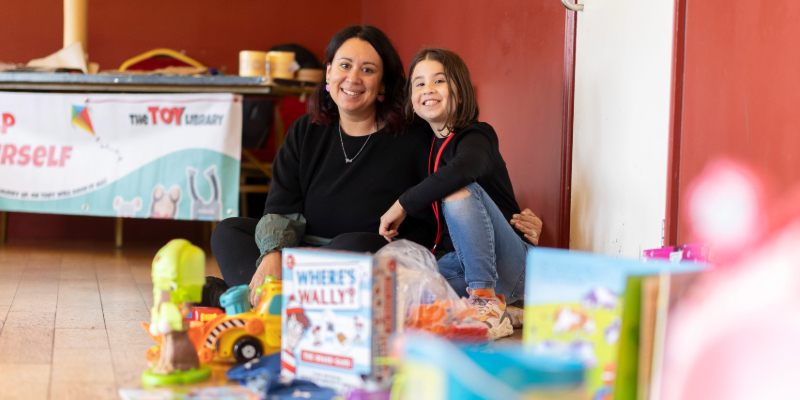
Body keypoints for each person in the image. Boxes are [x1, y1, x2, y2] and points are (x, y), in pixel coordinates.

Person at [209, 26, 542, 307]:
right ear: (328, 72)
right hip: (303, 249)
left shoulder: (415, 136)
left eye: (367, 70)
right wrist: (274, 253)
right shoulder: (305, 130)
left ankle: (253, 301)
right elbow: (281, 205)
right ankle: (283, 298)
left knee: (350, 247)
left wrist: (512, 220)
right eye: (344, 65)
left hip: (367, 253)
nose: (353, 78)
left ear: (383, 84)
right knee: (229, 231)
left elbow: (455, 190)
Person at [379, 48, 533, 339]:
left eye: (439, 81)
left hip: (515, 265)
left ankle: (487, 302)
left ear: (460, 93)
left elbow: (466, 167)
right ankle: (505, 307)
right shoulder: (431, 147)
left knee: (457, 191)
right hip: (468, 264)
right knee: (400, 287)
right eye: (419, 83)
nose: (428, 89)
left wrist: (403, 204)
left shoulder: (477, 136)